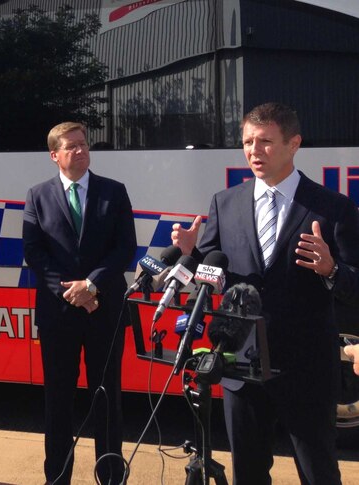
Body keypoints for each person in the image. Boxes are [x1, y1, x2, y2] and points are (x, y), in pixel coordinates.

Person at [171, 102, 359, 484]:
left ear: (294, 144)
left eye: (265, 142)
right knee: (249, 474)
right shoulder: (225, 203)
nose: (254, 151)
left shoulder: (333, 207)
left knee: (318, 471)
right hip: (240, 367)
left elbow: (355, 284)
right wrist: (192, 256)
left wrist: (331, 269)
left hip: (306, 370)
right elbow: (214, 272)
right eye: (247, 142)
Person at [23, 122, 136, 484]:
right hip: (59, 316)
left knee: (106, 400)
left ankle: (111, 477)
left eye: (84, 144)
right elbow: (34, 253)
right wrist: (71, 291)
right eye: (71, 146)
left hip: (105, 312)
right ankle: (57, 478)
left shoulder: (114, 192)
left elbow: (125, 248)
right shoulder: (37, 195)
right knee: (58, 402)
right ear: (54, 155)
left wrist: (92, 286)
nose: (81, 150)